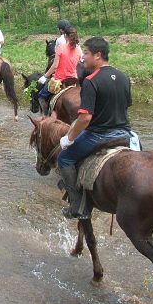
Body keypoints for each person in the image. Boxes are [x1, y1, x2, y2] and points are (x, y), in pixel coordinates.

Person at [56, 36, 132, 220]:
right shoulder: (123, 77)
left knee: (64, 159)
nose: (83, 58)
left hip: (100, 135)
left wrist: (69, 138)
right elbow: (126, 105)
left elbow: (85, 118)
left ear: (98, 55)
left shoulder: (91, 80)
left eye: (87, 53)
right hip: (125, 134)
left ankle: (76, 206)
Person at [37, 26, 82, 113]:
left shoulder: (60, 48)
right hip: (74, 80)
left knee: (41, 96)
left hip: (59, 80)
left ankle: (46, 116)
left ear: (65, 36)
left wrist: (45, 76)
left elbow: (55, 65)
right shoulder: (79, 50)